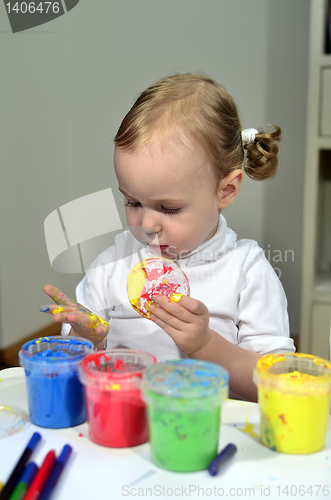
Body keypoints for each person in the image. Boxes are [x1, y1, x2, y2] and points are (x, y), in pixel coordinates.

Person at [41, 73, 295, 401]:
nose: (146, 223)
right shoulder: (114, 262)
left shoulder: (246, 271)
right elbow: (74, 363)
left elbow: (275, 385)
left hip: (204, 433)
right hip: (123, 426)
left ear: (226, 190)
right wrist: (86, 338)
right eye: (132, 202)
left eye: (168, 208)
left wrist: (206, 345)